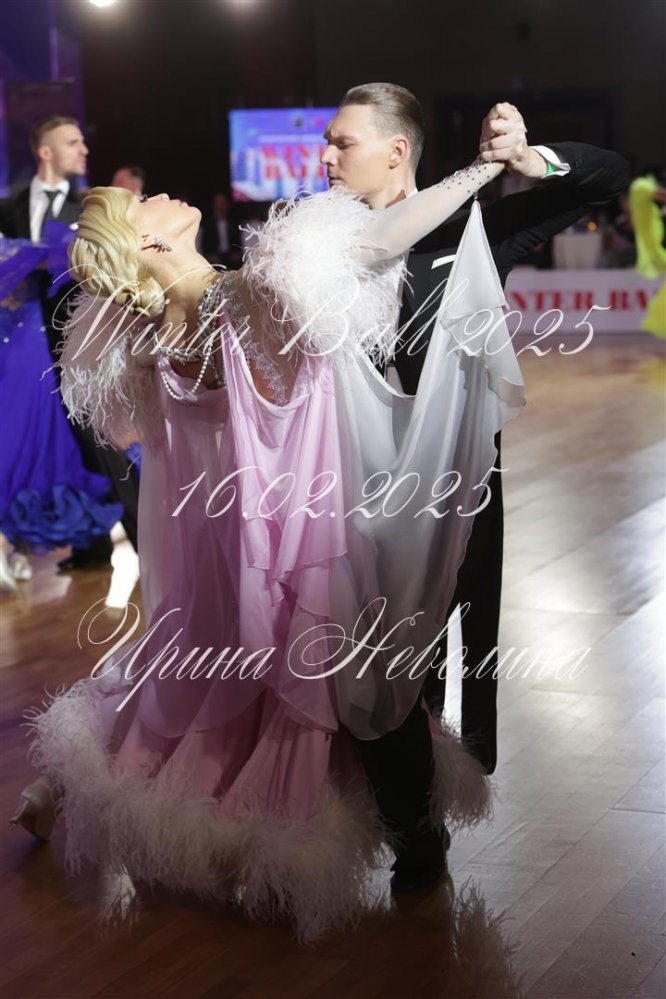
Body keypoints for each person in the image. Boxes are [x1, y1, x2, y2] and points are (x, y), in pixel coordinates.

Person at [10, 141, 527, 939]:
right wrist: (482, 170)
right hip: (293, 532)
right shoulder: (247, 296)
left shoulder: (150, 329)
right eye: (145, 204)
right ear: (147, 240)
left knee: (207, 677)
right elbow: (376, 243)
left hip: (223, 539)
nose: (161, 195)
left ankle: (70, 791)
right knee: (344, 680)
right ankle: (406, 846)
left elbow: (144, 421)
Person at [320, 85, 630, 881]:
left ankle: (419, 837)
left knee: (422, 656)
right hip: (341, 492)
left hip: (447, 496)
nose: (325, 156)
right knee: (349, 658)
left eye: (342, 142)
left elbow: (608, 177)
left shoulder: (474, 229)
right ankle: (359, 817)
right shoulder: (319, 241)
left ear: (397, 151)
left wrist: (529, 160)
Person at [0, 116, 141, 569]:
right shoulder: (10, 207)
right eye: (72, 142)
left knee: (103, 444)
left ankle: (148, 544)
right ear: (45, 151)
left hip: (81, 343)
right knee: (61, 448)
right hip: (28, 349)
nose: (84, 150)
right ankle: (90, 546)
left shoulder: (91, 206)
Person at [0, 232, 124, 589]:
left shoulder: (26, 246)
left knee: (25, 452)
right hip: (16, 354)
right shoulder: (25, 246)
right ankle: (15, 546)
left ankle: (18, 546)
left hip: (30, 356)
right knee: (14, 452)